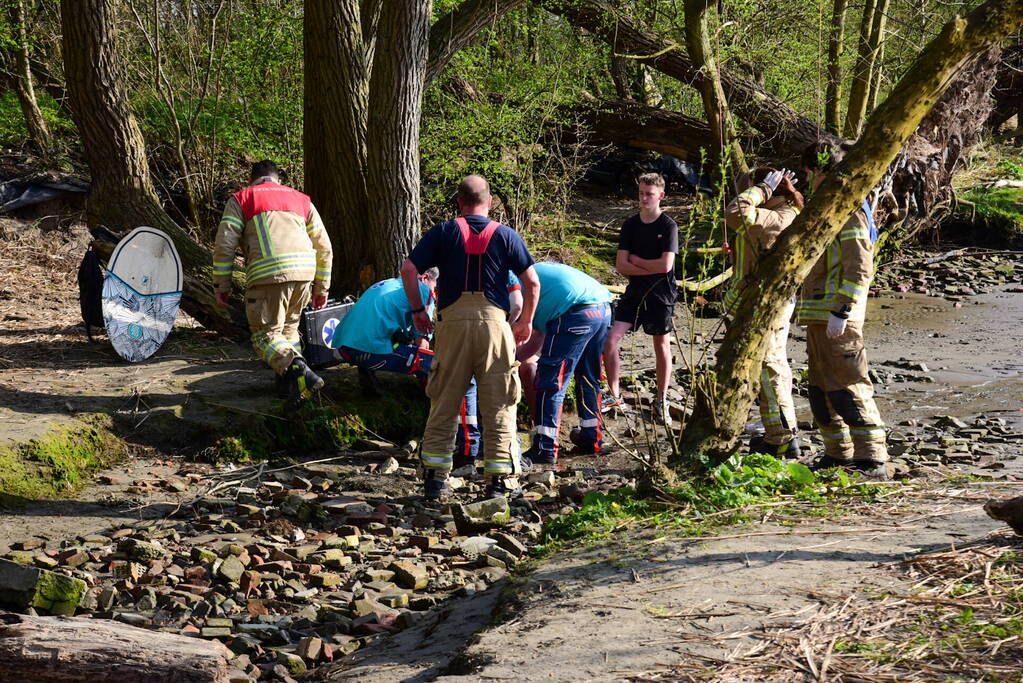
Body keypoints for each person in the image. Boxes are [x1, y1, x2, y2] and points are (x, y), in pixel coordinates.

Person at [401, 175, 539, 500]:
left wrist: (418, 310)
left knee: (445, 401)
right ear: (489, 202)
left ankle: (435, 481)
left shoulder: (443, 231)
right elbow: (532, 283)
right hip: (495, 327)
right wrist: (526, 322)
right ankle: (500, 483)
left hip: (452, 326)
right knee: (500, 404)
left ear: (459, 203)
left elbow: (408, 269)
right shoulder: (506, 235)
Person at [799, 141, 889, 479]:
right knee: (821, 388)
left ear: (819, 171)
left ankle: (872, 458)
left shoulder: (850, 208)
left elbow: (860, 266)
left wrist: (842, 310)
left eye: (809, 173)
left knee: (849, 384)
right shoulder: (829, 206)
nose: (808, 180)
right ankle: (838, 454)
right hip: (818, 314)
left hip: (838, 316)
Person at [213, 160, 332, 409]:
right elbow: (324, 247)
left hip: (269, 276)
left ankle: (300, 372)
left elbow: (225, 245)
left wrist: (221, 285)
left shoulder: (243, 198)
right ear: (279, 179)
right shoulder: (302, 200)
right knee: (288, 331)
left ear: (251, 180)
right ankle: (290, 389)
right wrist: (321, 288)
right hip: (304, 275)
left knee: (264, 336)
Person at [724, 167, 805, 459]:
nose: (745, 194)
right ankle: (780, 433)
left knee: (770, 366)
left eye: (749, 188)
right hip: (764, 302)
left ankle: (782, 437)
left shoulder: (777, 216)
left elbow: (734, 212)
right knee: (771, 365)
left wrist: (761, 189)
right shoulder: (777, 214)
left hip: (767, 305)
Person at [516, 262, 612, 465]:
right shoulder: (537, 276)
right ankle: (591, 438)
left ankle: (545, 447)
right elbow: (538, 337)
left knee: (551, 380)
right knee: (588, 376)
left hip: (574, 313)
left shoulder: (513, 286)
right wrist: (514, 359)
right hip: (603, 309)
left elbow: (523, 332)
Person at [603, 172, 679, 426]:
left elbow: (666, 266)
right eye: (641, 193)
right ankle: (614, 395)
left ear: (661, 196)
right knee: (610, 339)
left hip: (661, 293)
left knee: (661, 345)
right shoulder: (630, 225)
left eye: (649, 194)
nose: (644, 198)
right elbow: (621, 265)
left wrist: (637, 262)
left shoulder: (668, 226)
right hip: (634, 292)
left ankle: (661, 400)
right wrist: (646, 266)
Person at [453, 273, 524, 472]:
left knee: (465, 388)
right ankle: (506, 462)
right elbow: (518, 304)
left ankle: (468, 451)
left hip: (459, 329)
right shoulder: (505, 268)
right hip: (497, 331)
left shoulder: (451, 262)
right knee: (501, 396)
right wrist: (507, 326)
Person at [329, 269, 439, 393]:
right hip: (364, 351)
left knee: (389, 335)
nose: (435, 296)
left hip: (344, 347)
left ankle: (369, 381)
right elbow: (422, 343)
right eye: (436, 288)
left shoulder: (390, 282)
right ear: (425, 278)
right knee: (431, 362)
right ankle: (434, 400)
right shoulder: (423, 290)